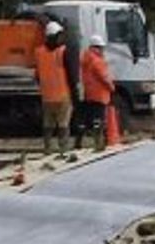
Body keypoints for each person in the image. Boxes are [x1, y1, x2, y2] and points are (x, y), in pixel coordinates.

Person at [33, 21, 74, 152]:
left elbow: (37, 75)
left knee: (48, 124)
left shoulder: (39, 53)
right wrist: (75, 92)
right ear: (55, 36)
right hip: (62, 95)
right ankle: (64, 147)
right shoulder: (63, 52)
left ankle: (48, 147)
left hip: (46, 96)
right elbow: (71, 74)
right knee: (63, 123)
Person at [79, 34, 116, 149]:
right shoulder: (98, 61)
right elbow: (104, 78)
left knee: (86, 120)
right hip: (100, 95)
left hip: (88, 94)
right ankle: (99, 143)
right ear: (97, 47)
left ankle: (79, 142)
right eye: (101, 48)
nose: (103, 51)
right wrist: (112, 88)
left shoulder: (85, 58)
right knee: (99, 121)